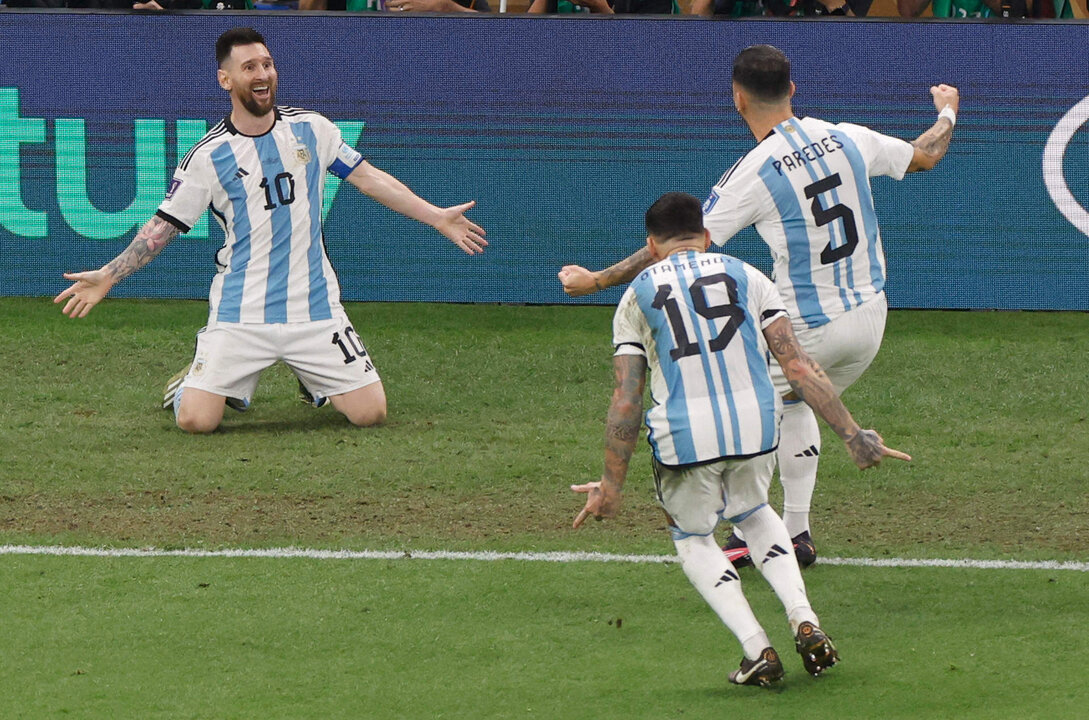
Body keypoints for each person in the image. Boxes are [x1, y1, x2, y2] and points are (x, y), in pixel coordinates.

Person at [559, 45, 955, 569]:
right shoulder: (848, 137)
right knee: (791, 405)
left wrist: (596, 280)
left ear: (738, 99)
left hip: (810, 327)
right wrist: (948, 110)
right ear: (792, 90)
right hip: (872, 318)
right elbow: (925, 153)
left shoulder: (754, 170)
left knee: (733, 409)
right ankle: (797, 532)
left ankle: (756, 527)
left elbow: (685, 244)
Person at [55, 27, 487, 433]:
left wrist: (435, 216)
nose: (262, 75)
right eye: (249, 68)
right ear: (225, 80)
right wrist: (110, 275)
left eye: (267, 64)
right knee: (195, 423)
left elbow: (370, 178)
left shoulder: (312, 129)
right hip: (240, 314)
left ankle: (311, 378)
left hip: (314, 307)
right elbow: (161, 229)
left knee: (371, 414)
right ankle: (200, 380)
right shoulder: (207, 157)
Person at [571, 192, 909, 687]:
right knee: (755, 512)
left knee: (692, 539)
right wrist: (853, 435)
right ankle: (803, 619)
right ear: (706, 238)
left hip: (683, 435)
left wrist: (611, 485)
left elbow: (627, 400)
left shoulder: (636, 295)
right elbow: (797, 366)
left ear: (652, 245)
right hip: (756, 425)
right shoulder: (749, 276)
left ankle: (758, 651)